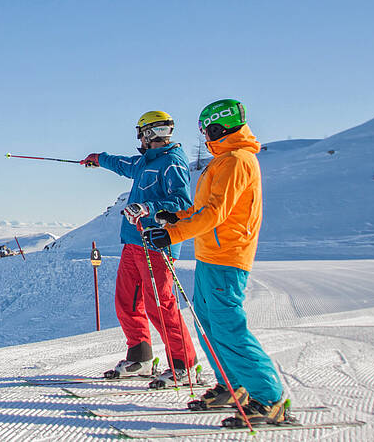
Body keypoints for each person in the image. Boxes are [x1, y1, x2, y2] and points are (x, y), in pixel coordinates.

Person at [141, 99, 296, 427]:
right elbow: (205, 208)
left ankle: (269, 398)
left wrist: (174, 235)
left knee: (228, 327)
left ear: (216, 127)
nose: (204, 136)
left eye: (205, 129)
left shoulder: (236, 161)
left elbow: (216, 213)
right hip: (211, 256)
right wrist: (176, 217)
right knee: (208, 325)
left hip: (228, 258)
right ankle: (232, 386)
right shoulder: (225, 159)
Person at [82, 111, 198, 388]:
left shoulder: (172, 163)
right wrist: (98, 158)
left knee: (161, 304)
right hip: (134, 242)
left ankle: (184, 365)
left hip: (156, 243)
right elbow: (123, 164)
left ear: (146, 134)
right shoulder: (148, 161)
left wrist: (148, 208)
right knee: (127, 302)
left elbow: (182, 203)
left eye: (141, 133)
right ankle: (141, 357)